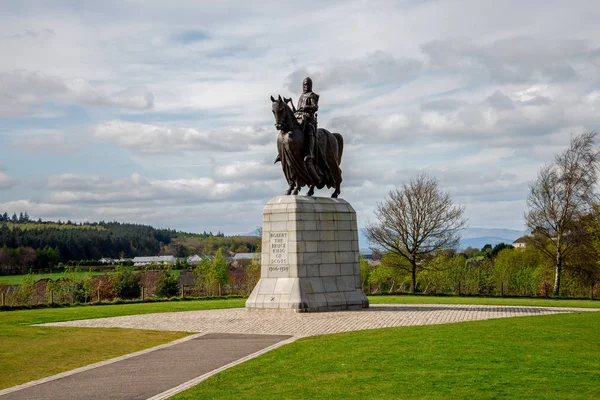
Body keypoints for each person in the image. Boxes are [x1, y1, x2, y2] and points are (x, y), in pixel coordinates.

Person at [275, 77, 320, 182]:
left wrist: (307, 107)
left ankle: (309, 152)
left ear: (310, 85)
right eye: (304, 85)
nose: (305, 87)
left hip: (309, 119)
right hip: (299, 117)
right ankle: (283, 150)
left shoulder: (312, 95)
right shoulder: (301, 96)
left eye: (307, 85)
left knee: (308, 130)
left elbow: (315, 107)